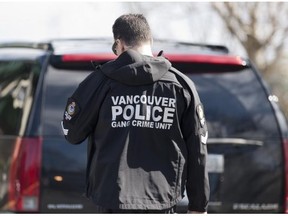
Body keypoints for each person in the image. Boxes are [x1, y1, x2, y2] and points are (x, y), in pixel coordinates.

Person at [61, 13, 209, 214]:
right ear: (150, 41)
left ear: (119, 44)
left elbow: (72, 133)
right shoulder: (182, 85)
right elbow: (198, 149)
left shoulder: (99, 81)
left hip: (112, 201)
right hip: (163, 202)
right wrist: (198, 206)